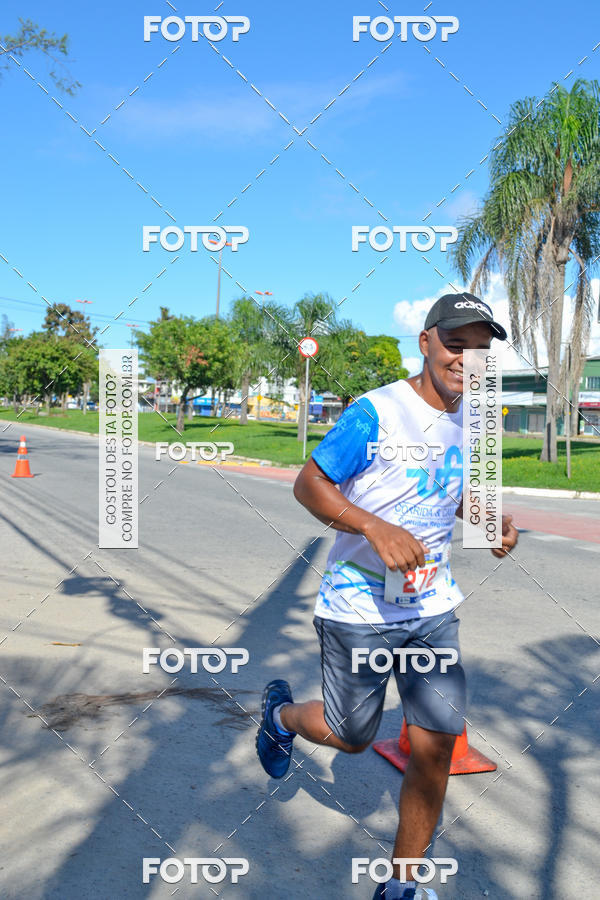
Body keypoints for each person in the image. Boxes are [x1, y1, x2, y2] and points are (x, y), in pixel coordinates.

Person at [256, 293, 519, 899]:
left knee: (434, 747)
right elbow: (310, 484)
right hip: (358, 608)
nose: (467, 357)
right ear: (425, 342)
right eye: (456, 342)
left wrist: (489, 520)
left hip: (431, 607)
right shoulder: (376, 413)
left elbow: (446, 492)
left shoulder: (477, 417)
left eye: (481, 348)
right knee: (352, 735)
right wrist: (373, 526)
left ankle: (403, 885)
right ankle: (281, 715)